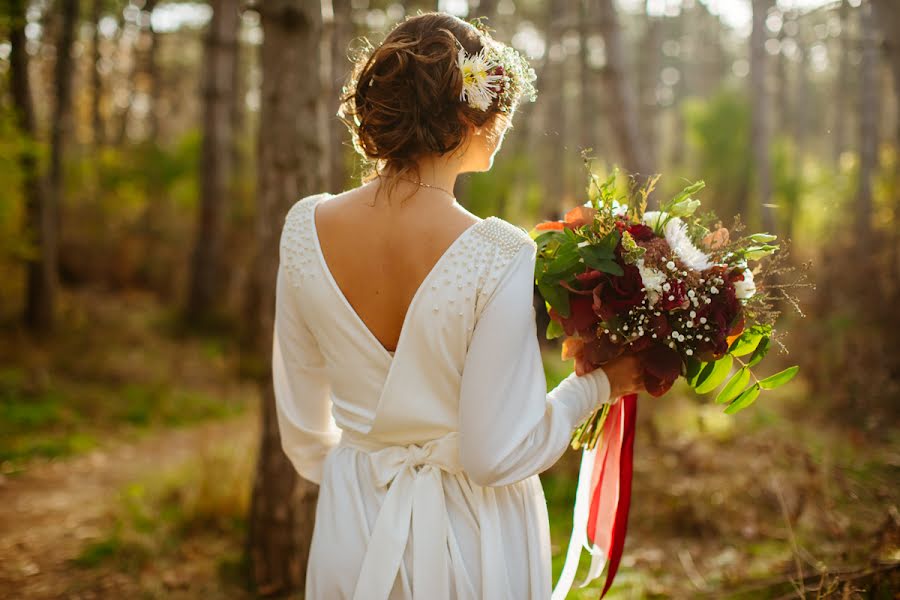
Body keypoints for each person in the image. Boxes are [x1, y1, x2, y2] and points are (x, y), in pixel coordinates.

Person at [272, 12, 645, 600]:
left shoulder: (303, 228)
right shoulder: (498, 252)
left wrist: (363, 479)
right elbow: (495, 455)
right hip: (472, 537)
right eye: (502, 108)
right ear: (471, 116)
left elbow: (302, 432)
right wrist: (598, 386)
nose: (505, 124)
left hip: (351, 529)